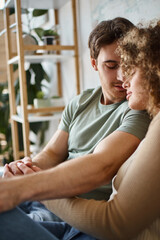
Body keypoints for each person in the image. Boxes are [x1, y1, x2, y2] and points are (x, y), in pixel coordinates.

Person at [0, 18, 154, 240]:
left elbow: (102, 165)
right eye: (111, 66)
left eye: (128, 65)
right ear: (94, 64)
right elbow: (52, 153)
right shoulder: (81, 101)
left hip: (82, 214)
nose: (122, 76)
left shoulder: (137, 107)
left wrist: (26, 186)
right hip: (50, 200)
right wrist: (24, 168)